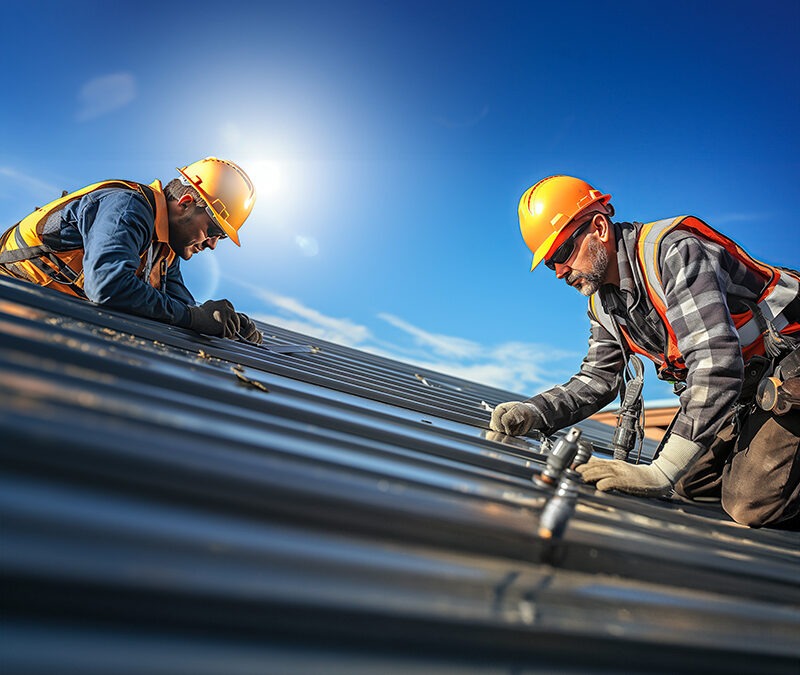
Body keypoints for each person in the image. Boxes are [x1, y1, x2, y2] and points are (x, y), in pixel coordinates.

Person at [490, 175, 800, 529]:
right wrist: (534, 412)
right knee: (689, 483)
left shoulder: (673, 253)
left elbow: (716, 365)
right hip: (748, 385)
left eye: (562, 253)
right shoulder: (603, 305)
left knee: (750, 504)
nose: (560, 271)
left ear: (599, 228)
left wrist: (660, 471)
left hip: (790, 365)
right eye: (550, 264)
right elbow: (597, 379)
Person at [0, 157, 263, 344]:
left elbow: (180, 309)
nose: (213, 244)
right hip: (13, 304)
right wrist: (194, 317)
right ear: (185, 204)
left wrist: (228, 324)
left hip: (47, 317)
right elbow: (108, 286)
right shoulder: (127, 208)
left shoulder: (164, 250)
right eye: (213, 231)